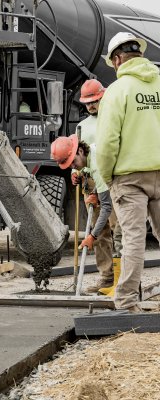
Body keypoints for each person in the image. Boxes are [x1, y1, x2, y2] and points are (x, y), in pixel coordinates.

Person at [96, 32, 160, 313]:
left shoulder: (117, 91)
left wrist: (107, 176)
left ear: (117, 60)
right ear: (140, 55)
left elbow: (108, 142)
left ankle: (126, 302)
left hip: (129, 178)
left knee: (134, 239)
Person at [71, 79, 122, 294]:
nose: (92, 106)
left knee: (118, 231)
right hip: (92, 183)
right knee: (99, 234)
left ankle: (122, 281)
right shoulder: (81, 127)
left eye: (95, 101)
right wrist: (76, 174)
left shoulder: (114, 119)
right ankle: (106, 278)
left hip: (114, 180)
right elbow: (76, 157)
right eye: (88, 102)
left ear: (103, 97)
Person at [51, 135, 115, 296]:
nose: (73, 166)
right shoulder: (88, 157)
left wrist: (92, 236)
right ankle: (111, 280)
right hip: (110, 182)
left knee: (121, 233)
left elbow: (106, 207)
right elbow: (83, 168)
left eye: (73, 162)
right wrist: (94, 192)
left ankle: (124, 284)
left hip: (128, 182)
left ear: (80, 150)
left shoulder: (98, 165)